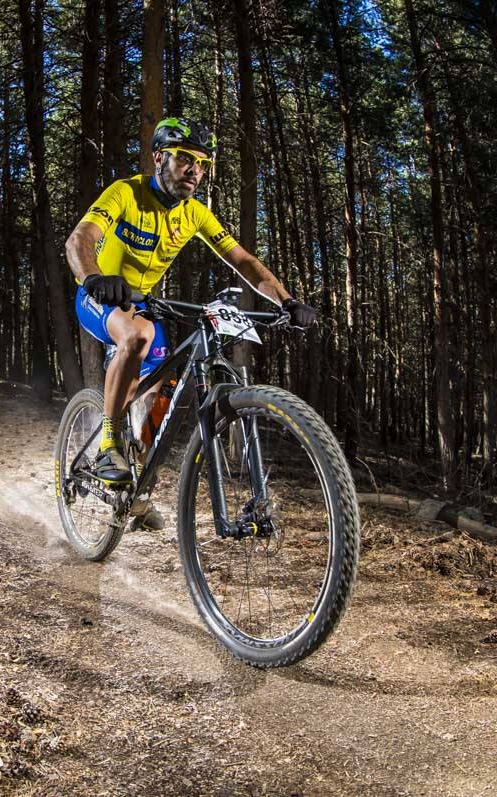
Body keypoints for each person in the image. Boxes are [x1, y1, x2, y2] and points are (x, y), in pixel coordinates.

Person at [64, 116, 317, 530]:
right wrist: (92, 277)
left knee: (160, 399)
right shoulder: (125, 193)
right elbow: (80, 240)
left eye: (203, 164)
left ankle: (137, 495)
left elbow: (245, 263)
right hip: (99, 295)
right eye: (185, 159)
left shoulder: (195, 214)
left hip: (144, 303)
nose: (195, 171)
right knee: (139, 335)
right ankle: (108, 442)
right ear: (160, 157)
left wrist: (288, 301)